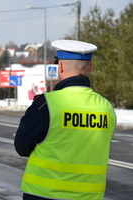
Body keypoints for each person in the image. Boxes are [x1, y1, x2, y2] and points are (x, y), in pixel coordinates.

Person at [14, 40, 117, 200]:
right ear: (91, 67)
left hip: (45, 195)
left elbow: (22, 147)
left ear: (60, 66)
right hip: (90, 196)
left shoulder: (46, 104)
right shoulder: (106, 107)